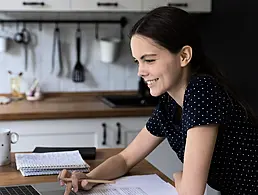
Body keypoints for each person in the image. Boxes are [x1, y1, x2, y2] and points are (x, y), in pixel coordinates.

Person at [58, 6, 258, 195]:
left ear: (184, 56)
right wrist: (89, 178)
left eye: (150, 60)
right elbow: (125, 159)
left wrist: (179, 177)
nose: (140, 71)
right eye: (138, 61)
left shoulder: (202, 90)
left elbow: (191, 192)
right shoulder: (170, 104)